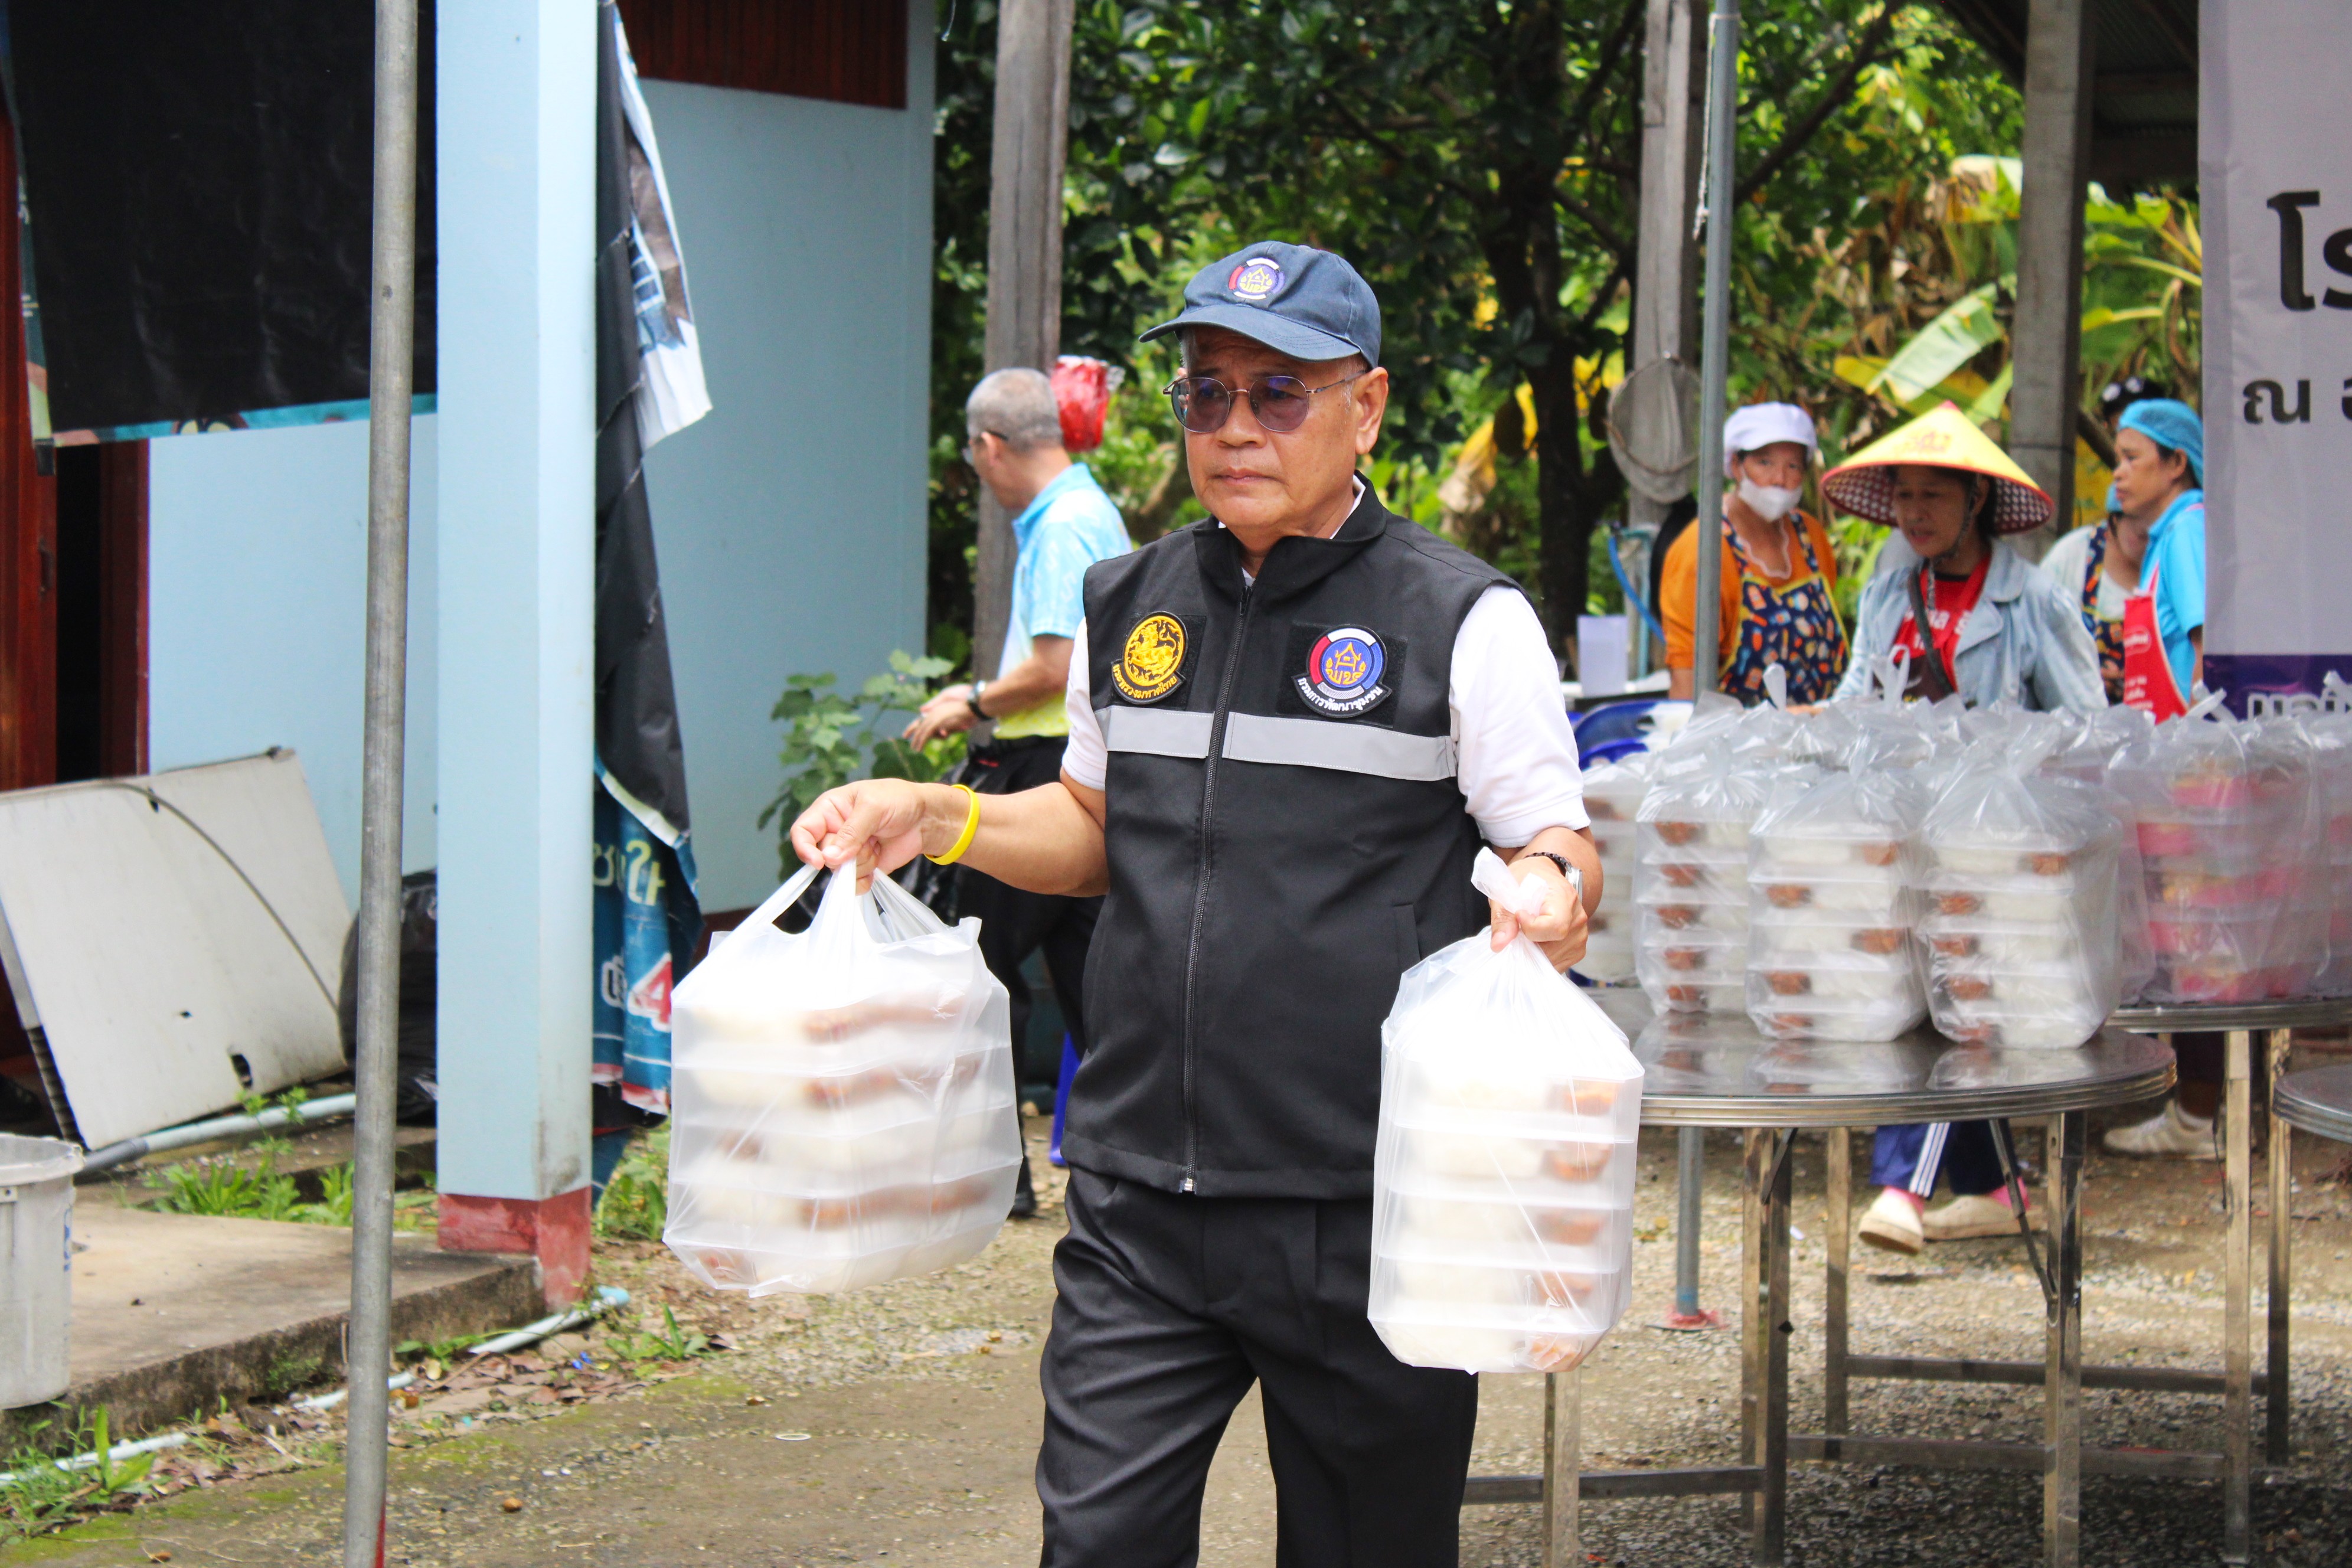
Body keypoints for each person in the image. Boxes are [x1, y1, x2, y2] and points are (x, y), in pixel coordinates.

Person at [792, 241, 1601, 1565]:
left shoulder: (1463, 616)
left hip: (1367, 1203)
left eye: (1279, 393)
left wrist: (1552, 890)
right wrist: (936, 814)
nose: (1235, 425)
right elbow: (1099, 830)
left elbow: (1556, 837)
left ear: (1368, 405)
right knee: (1098, 1543)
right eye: (1208, 391)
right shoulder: (1133, 602)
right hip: (1139, 1202)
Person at [1820, 402, 2105, 1252]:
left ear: (1975, 501)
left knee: (1957, 1005)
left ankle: (1902, 1188)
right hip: (1900, 840)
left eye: (1932, 496)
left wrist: (2001, 756)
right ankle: (1990, 1183)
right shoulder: (1886, 588)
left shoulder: (2033, 599)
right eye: (1903, 495)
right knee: (1912, 1006)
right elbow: (1854, 699)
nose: (1913, 513)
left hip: (1992, 847)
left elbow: (2085, 719)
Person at [903, 367, 1132, 1218]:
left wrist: (970, 700)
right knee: (1090, 980)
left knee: (979, 962)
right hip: (1078, 767)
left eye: (974, 456)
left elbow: (1056, 664)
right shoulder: (1086, 510)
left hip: (1046, 768)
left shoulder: (1065, 525)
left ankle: (1000, 1177)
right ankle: (1118, 1170)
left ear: (990, 448)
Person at [1660, 402, 1847, 704]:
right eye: (1765, 463)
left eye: (1793, 466)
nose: (1780, 479)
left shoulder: (1811, 537)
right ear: (1735, 466)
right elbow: (1686, 682)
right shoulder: (1702, 549)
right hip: (1736, 742)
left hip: (1821, 735)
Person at [2042, 396, 2206, 714]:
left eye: (2131, 459)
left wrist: (2201, 753)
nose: (2118, 474)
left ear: (2177, 464)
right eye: (2118, 461)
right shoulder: (2166, 537)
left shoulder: (2187, 530)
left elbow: (2209, 651)